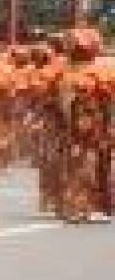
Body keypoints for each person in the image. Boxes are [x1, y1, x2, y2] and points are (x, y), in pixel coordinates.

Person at [45, 28, 114, 224]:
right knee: (73, 163)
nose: (76, 49)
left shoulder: (101, 72)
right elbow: (50, 100)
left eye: (80, 46)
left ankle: (94, 207)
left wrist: (108, 125)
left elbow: (108, 103)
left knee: (94, 164)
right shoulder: (60, 71)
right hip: (69, 126)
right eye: (73, 46)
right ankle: (74, 205)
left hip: (95, 127)